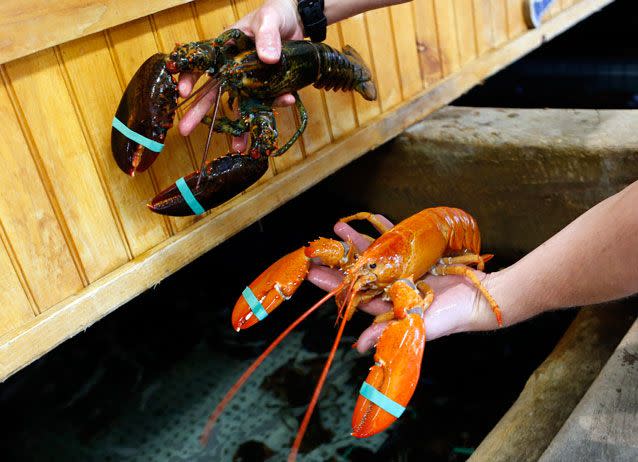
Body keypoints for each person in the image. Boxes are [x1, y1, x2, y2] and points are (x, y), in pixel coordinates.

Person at [180, 0, 638, 352]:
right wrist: (305, 9)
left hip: (456, 233)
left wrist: (494, 296)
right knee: (321, 252)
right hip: (411, 236)